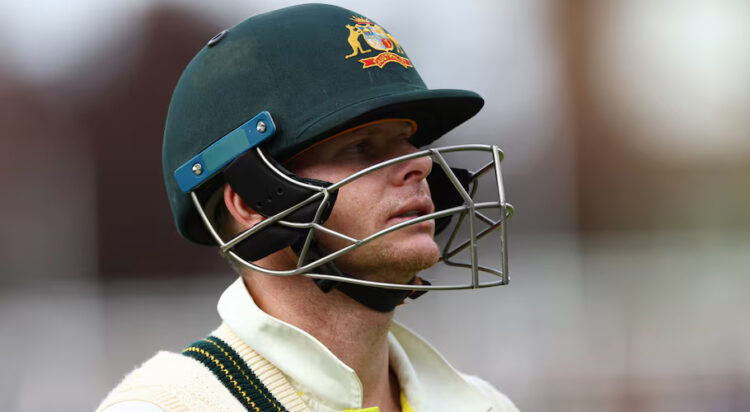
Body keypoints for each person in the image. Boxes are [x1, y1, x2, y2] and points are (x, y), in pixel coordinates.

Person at [97, 4, 517, 412]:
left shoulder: (485, 405)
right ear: (250, 203)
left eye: (410, 142)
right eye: (362, 147)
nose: (421, 164)